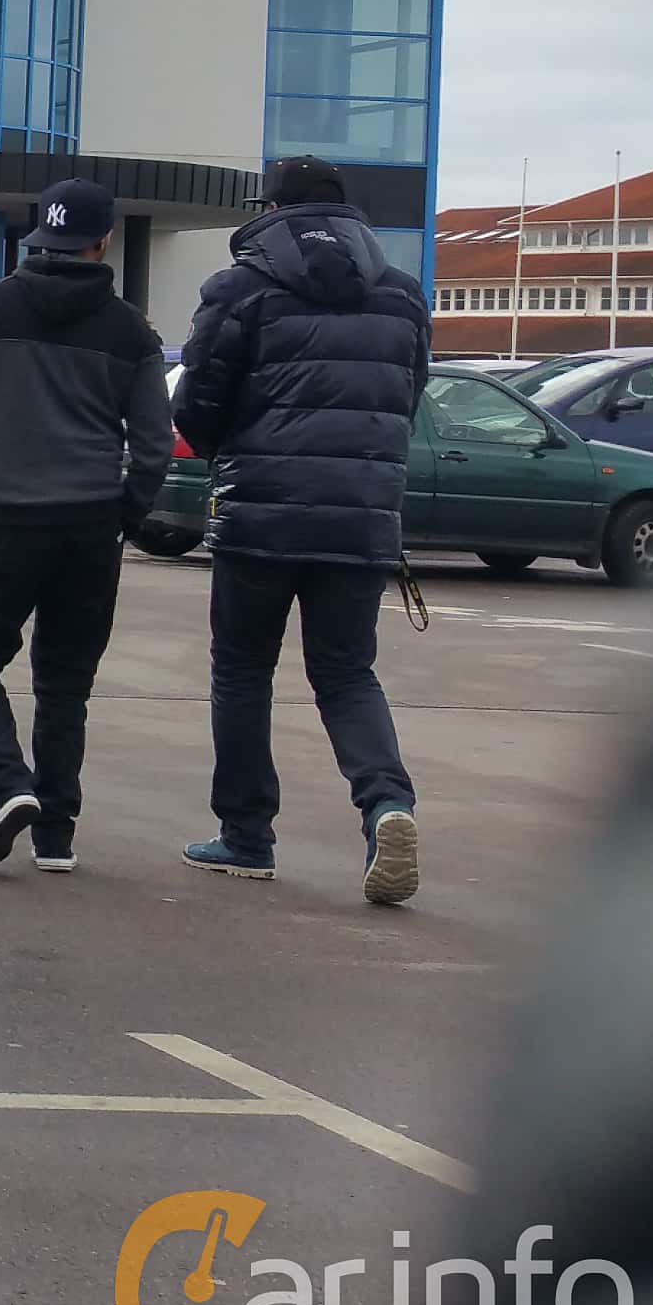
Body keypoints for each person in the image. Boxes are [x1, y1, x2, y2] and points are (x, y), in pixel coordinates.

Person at [170, 155, 429, 903]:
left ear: (271, 208)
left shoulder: (240, 289)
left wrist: (237, 453)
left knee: (243, 670)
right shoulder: (402, 295)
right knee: (347, 674)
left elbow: (197, 403)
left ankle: (247, 836)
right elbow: (407, 397)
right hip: (360, 512)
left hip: (260, 510)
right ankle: (388, 806)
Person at [0, 178, 172, 875]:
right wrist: (126, 517)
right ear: (103, 240)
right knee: (64, 685)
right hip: (88, 527)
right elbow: (152, 443)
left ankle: (8, 783)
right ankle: (56, 837)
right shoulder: (131, 331)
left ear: (37, 237)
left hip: (4, 521)